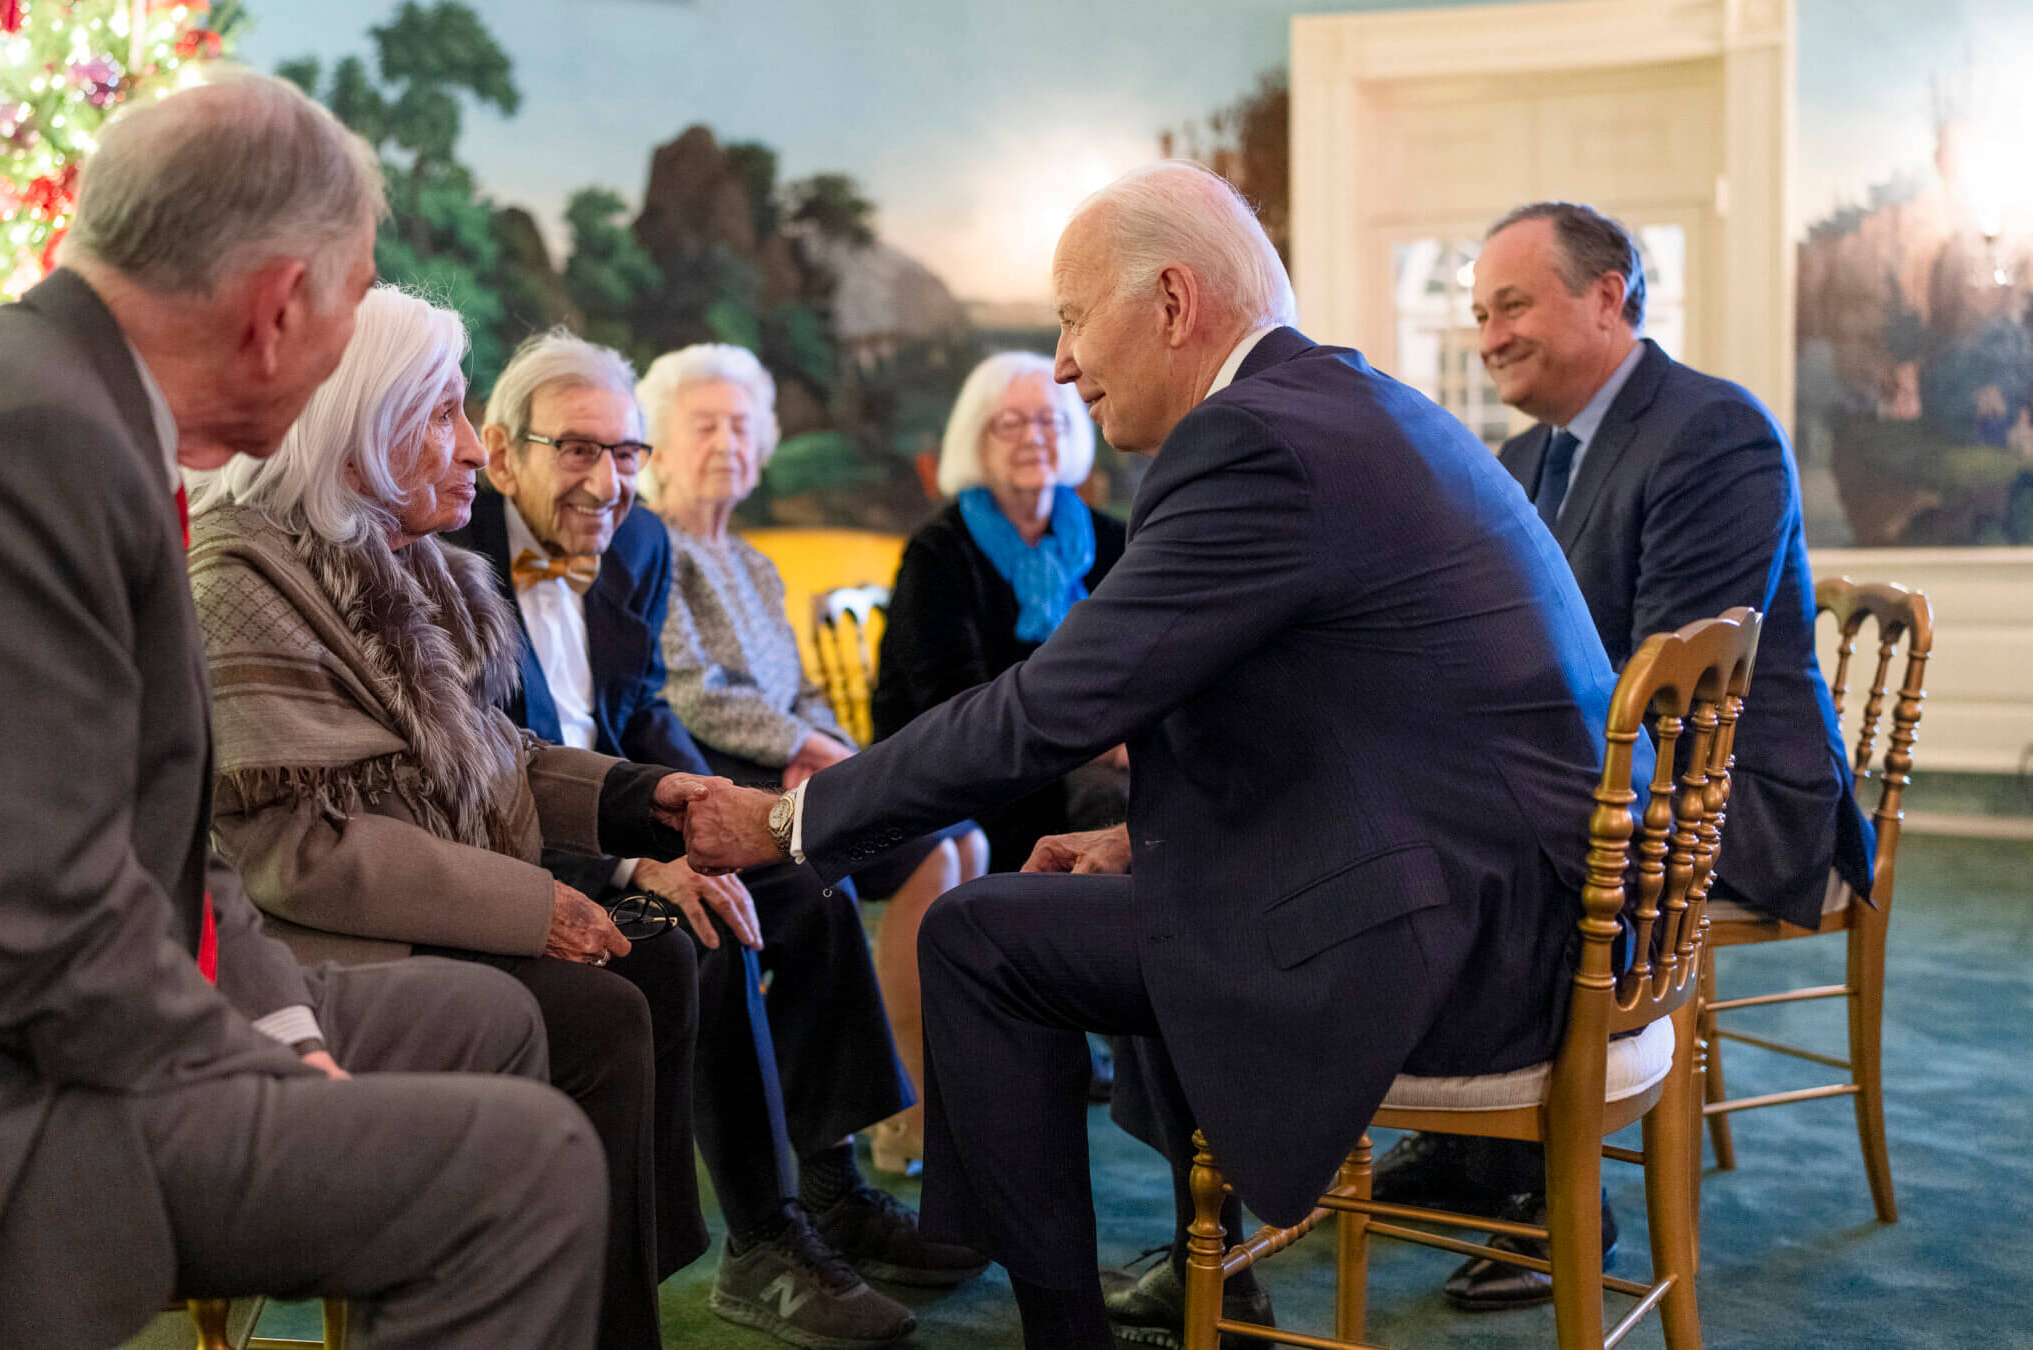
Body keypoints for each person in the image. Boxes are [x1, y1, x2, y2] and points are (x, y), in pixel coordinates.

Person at [0, 72, 608, 1350]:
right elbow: (31, 928)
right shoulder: (11, 450)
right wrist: (274, 1076)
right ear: (274, 310)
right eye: (358, 291)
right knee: (519, 1169)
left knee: (479, 1016)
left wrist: (282, 1025)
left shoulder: (53, 413)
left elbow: (162, 842)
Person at [678, 161, 1626, 1350]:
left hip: (1475, 948)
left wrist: (788, 825)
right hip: (1536, 906)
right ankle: (1205, 1274)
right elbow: (1371, 714)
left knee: (979, 936)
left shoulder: (1255, 442)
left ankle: (1074, 1324)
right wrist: (1142, 834)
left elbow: (1048, 706)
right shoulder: (1339, 401)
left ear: (1173, 302)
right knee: (1145, 873)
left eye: (1075, 319)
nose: (1064, 363)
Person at [188, 287, 745, 1350]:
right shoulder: (239, 577)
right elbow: (299, 859)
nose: (468, 450)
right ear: (360, 427)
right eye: (440, 416)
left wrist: (642, 799)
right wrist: (536, 902)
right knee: (602, 1012)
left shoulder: (416, 563)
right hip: (318, 948)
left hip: (424, 899)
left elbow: (498, 759)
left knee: (666, 960)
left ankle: (604, 1299)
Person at [1365, 199, 1880, 1310]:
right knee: (1406, 816)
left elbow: (1678, 698)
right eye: (1478, 313)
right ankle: (1473, 1140)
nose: (1488, 334)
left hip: (1738, 796)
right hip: (1609, 775)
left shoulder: (1713, 431)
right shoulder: (1520, 453)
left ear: (1608, 295)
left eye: (1512, 305)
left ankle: (1556, 1197)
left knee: (1499, 839)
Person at [448, 329, 987, 1350]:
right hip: (505, 838)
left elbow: (644, 708)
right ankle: (764, 1240)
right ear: (502, 451)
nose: (609, 483)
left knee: (807, 889)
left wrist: (702, 808)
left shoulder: (640, 545)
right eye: (578, 450)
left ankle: (829, 1193)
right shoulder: (449, 556)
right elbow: (473, 775)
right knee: (707, 925)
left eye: (626, 453)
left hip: (616, 800)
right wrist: (650, 858)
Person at [634, 341, 989, 1178]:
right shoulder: (653, 548)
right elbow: (686, 691)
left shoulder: (754, 563)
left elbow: (799, 689)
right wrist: (807, 749)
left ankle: (941, 1091)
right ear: (660, 445)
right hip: (715, 775)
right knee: (930, 855)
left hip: (789, 769)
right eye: (705, 426)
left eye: (742, 425)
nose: (727, 441)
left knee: (965, 837)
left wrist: (840, 753)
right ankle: (901, 1114)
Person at [874, 350, 1131, 875]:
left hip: (1079, 751)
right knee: (1113, 799)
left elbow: (1139, 659)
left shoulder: (1112, 539)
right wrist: (1096, 743)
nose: (1033, 437)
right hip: (962, 764)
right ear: (975, 440)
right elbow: (952, 704)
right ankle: (1081, 948)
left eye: (1049, 420)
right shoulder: (939, 553)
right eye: (1009, 424)